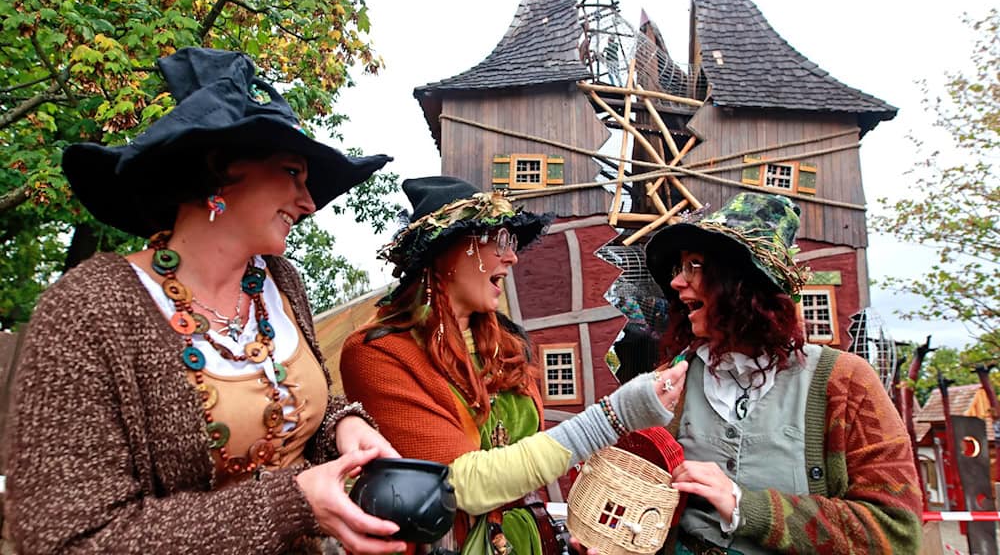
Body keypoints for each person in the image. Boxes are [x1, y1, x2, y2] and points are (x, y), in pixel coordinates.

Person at [5, 47, 409, 555]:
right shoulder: (89, 309)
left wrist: (342, 426)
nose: (308, 203)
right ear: (219, 168)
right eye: (292, 172)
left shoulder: (278, 282)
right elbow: (66, 540)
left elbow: (293, 408)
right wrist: (291, 503)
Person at [340, 176, 688, 555]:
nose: (513, 257)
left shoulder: (507, 345)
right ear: (448, 250)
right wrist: (614, 416)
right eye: (502, 240)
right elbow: (460, 486)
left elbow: (528, 466)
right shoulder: (379, 354)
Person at [643, 193, 922, 554]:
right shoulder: (671, 381)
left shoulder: (847, 383)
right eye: (678, 270)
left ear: (745, 283)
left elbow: (897, 534)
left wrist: (746, 506)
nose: (678, 283)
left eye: (695, 266)